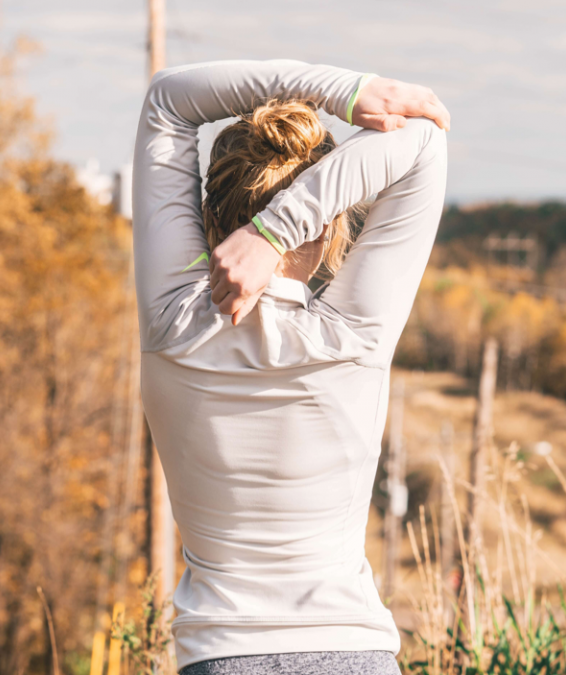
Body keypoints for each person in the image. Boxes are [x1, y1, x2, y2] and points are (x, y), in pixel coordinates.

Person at [131, 60, 450, 675]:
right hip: (355, 655)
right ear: (329, 225)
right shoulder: (350, 338)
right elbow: (424, 141)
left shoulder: (172, 324)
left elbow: (168, 100)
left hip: (221, 658)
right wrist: (276, 233)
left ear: (207, 210)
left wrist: (343, 94)